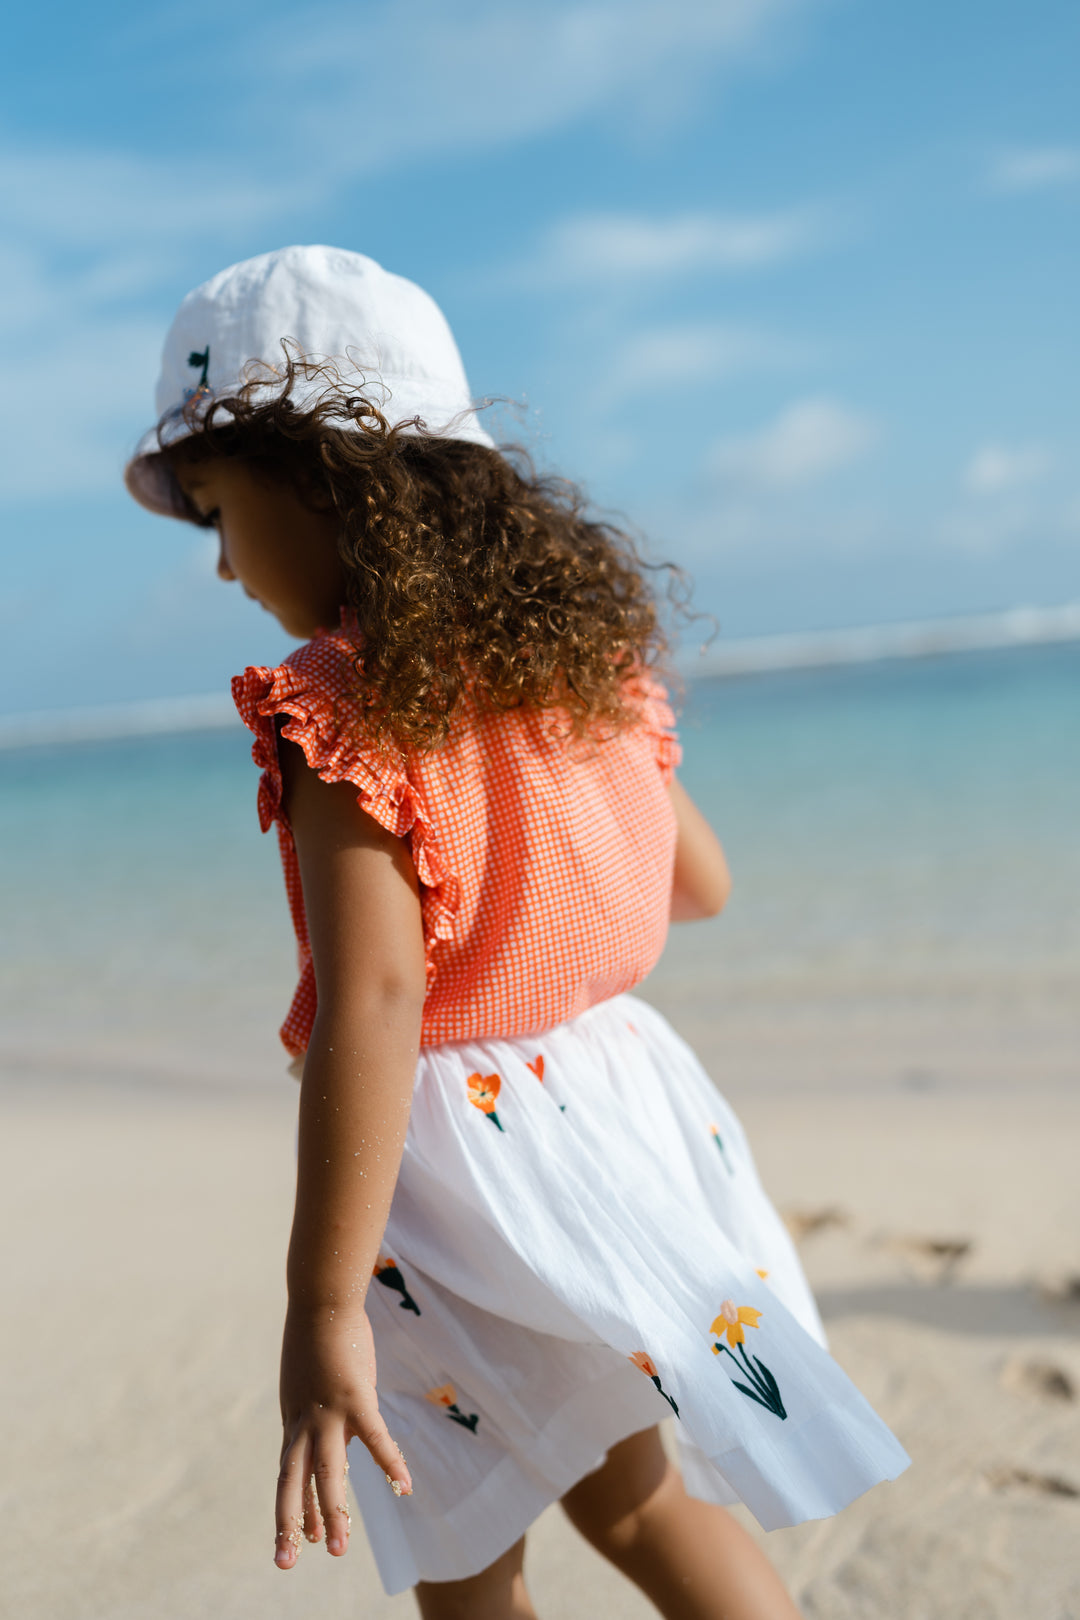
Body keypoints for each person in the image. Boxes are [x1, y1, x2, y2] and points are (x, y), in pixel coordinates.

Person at [125, 245, 908, 1620]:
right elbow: (699, 878)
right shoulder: (576, 664)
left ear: (325, 478)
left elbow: (376, 1003)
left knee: (464, 1550)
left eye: (219, 514)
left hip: (454, 1180)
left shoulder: (342, 707)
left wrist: (317, 1317)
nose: (226, 566)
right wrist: (551, 857)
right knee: (641, 1498)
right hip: (619, 1124)